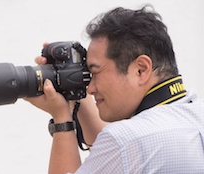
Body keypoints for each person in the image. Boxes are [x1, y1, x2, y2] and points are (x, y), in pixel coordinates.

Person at [24, 5, 204, 173]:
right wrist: (73, 90)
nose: (90, 88)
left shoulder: (126, 141)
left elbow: (122, 147)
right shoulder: (195, 113)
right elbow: (119, 156)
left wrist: (61, 118)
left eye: (95, 71)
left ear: (141, 69)